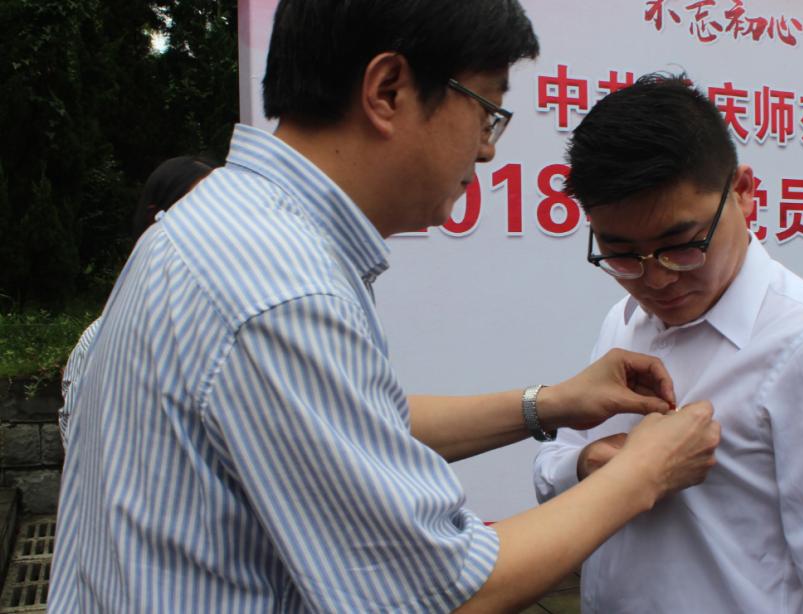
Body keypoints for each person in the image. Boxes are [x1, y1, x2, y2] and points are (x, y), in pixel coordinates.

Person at [49, 3, 721, 612]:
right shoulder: (282, 289)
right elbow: (443, 593)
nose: (487, 147)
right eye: (485, 110)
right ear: (388, 90)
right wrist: (644, 471)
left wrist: (549, 404)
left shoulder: (223, 225)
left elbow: (358, 427)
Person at [533, 74, 803, 612]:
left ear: (743, 192)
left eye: (682, 246)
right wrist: (590, 462)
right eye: (621, 255)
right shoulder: (624, 320)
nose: (656, 279)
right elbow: (553, 467)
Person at [58, 155, 216, 448]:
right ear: (155, 218)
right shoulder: (98, 339)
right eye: (198, 209)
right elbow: (78, 443)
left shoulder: (221, 332)